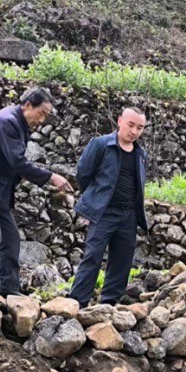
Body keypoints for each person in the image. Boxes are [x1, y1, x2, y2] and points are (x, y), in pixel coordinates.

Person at [0, 88, 72, 298]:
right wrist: (51, 177)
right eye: (42, 113)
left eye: (47, 115)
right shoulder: (7, 121)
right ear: (28, 105)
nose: (43, 120)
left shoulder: (20, 123)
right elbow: (18, 162)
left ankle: (10, 290)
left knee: (11, 240)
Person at [68, 107, 150, 307]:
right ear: (119, 121)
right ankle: (78, 302)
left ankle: (109, 303)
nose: (134, 131)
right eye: (131, 125)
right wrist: (94, 202)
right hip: (104, 212)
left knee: (122, 259)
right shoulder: (101, 145)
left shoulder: (141, 154)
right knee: (93, 255)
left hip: (129, 213)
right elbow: (83, 174)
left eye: (140, 127)